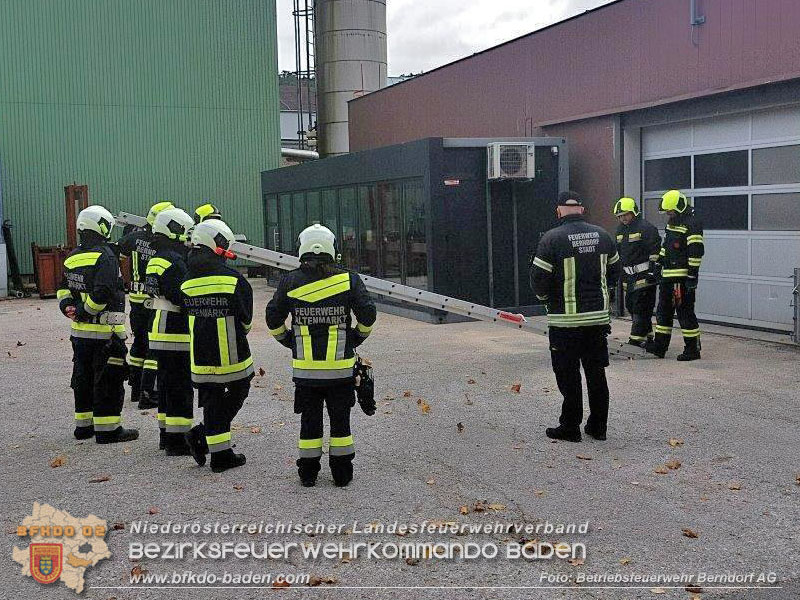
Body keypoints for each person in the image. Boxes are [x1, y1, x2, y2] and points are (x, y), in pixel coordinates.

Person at [266, 224, 376, 487]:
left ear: (302, 249)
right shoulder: (348, 279)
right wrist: (355, 338)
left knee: (309, 421)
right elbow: (368, 315)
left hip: (306, 372)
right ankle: (341, 473)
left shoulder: (290, 281)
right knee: (341, 421)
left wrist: (289, 341)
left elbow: (272, 318)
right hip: (340, 370)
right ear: (332, 250)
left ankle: (308, 473)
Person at [530, 191, 620, 442]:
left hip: (565, 321)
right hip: (597, 320)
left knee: (568, 375)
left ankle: (570, 427)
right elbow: (615, 273)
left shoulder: (552, 239)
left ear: (559, 212)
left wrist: (545, 300)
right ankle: (598, 427)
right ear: (582, 209)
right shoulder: (603, 236)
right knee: (596, 373)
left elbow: (538, 279)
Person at [57, 206, 139, 444]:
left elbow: (63, 289)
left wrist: (68, 307)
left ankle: (84, 426)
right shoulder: (105, 256)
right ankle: (108, 429)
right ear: (102, 226)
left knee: (83, 378)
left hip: (80, 335)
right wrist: (85, 312)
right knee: (109, 380)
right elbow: (103, 292)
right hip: (105, 333)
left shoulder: (72, 256)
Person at [181, 219, 253, 473]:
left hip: (200, 352)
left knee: (211, 398)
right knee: (238, 391)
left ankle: (214, 447)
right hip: (231, 352)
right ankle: (211, 444)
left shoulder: (186, 279)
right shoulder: (234, 279)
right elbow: (245, 320)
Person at [143, 208, 195, 455]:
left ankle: (166, 434)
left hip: (158, 326)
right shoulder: (175, 262)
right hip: (175, 329)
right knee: (179, 386)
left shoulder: (156, 257)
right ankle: (177, 441)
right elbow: (183, 296)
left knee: (165, 384)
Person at [117, 201, 174, 409]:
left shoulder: (131, 239)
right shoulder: (163, 243)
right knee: (153, 346)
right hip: (154, 302)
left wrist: (127, 281)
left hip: (136, 299)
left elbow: (122, 257)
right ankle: (149, 392)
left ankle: (135, 387)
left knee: (139, 342)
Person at [646, 190, 705, 361]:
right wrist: (658, 263)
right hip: (668, 277)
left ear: (679, 208)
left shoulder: (692, 223)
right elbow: (666, 246)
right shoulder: (672, 222)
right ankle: (660, 347)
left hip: (682, 278)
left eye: (670, 211)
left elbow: (696, 252)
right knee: (663, 313)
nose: (668, 214)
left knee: (685, 314)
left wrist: (692, 275)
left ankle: (693, 349)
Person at [612, 197, 661, 347]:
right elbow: (618, 253)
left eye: (625, 214)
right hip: (628, 277)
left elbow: (655, 250)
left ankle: (635, 341)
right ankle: (648, 336)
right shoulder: (620, 230)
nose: (623, 218)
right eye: (620, 216)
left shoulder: (646, 227)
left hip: (644, 275)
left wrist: (653, 271)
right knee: (631, 306)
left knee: (641, 307)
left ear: (634, 212)